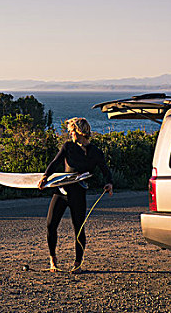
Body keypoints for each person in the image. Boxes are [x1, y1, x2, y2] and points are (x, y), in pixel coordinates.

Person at [38, 117, 113, 273]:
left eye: (71, 131)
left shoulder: (95, 152)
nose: (70, 133)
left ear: (79, 131)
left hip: (78, 193)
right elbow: (55, 162)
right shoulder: (68, 147)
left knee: (78, 228)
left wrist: (109, 183)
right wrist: (45, 176)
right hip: (62, 191)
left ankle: (77, 264)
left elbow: (105, 170)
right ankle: (53, 260)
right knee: (51, 225)